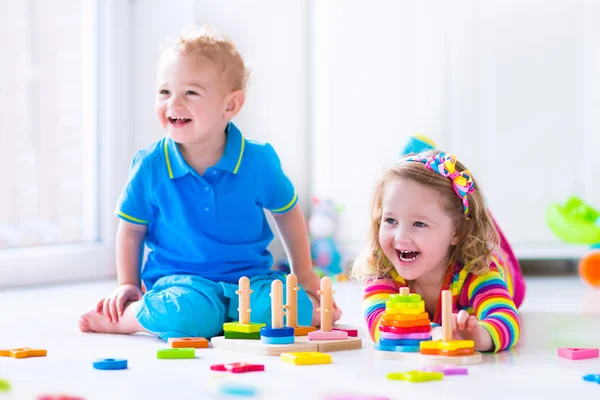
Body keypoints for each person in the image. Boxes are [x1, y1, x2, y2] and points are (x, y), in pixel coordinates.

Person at [79, 25, 340, 340]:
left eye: (190, 92)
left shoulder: (258, 160)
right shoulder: (150, 165)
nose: (173, 103)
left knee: (291, 308)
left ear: (230, 105)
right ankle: (129, 318)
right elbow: (131, 229)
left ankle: (240, 314)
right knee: (188, 314)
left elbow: (287, 212)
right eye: (164, 92)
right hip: (180, 284)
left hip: (252, 281)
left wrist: (305, 274)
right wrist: (128, 284)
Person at [354, 150, 524, 352]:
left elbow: (506, 319)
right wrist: (435, 333)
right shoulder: (381, 270)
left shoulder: (475, 270)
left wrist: (480, 335)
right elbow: (381, 326)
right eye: (390, 220)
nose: (400, 237)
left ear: (457, 231)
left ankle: (482, 212)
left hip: (501, 266)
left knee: (488, 236)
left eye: (418, 223)